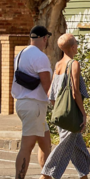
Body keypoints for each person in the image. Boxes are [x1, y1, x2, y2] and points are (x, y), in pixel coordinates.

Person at [40, 33, 90, 179]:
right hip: (72, 114)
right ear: (73, 47)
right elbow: (75, 92)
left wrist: (59, 109)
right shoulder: (74, 64)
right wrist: (83, 113)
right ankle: (46, 175)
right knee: (64, 147)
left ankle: (84, 176)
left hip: (60, 113)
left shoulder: (58, 65)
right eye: (76, 43)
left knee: (78, 148)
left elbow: (51, 92)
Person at [13, 26, 53, 179]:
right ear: (44, 38)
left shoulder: (21, 54)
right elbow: (46, 84)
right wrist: (55, 102)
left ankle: (47, 176)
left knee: (45, 142)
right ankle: (19, 177)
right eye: (47, 38)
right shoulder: (40, 56)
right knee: (27, 146)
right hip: (34, 105)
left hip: (23, 103)